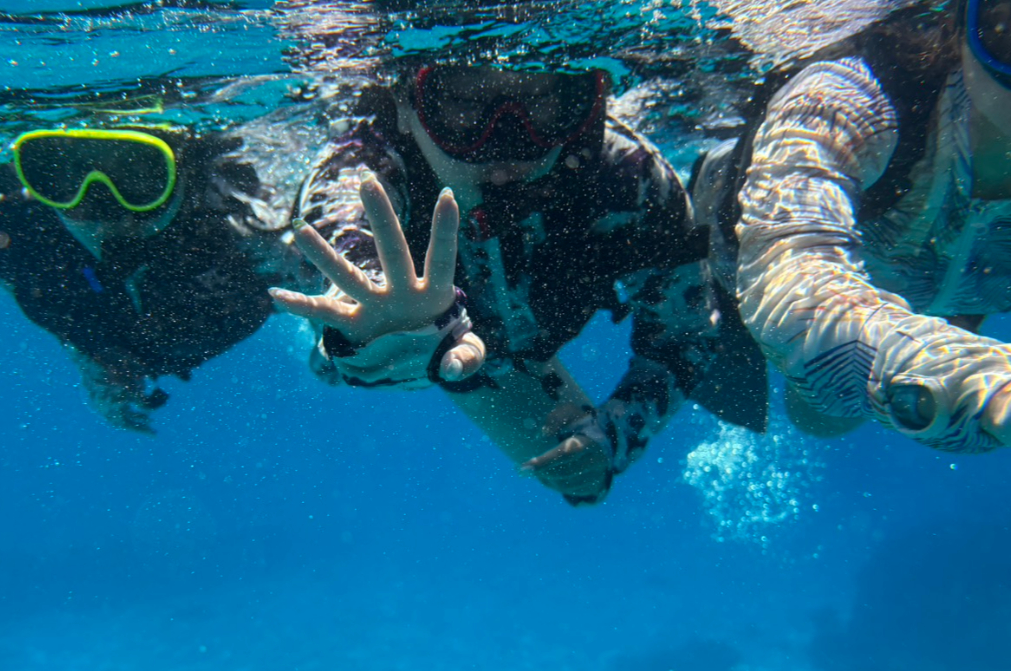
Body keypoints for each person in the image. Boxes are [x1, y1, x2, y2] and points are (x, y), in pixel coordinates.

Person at [268, 64, 768, 505]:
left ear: (583, 108)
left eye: (546, 104)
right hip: (433, 345)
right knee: (341, 358)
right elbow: (345, 235)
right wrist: (371, 322)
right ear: (404, 106)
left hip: (509, 354)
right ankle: (338, 352)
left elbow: (684, 335)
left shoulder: (628, 180)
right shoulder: (362, 170)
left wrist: (613, 434)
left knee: (584, 483)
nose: (506, 146)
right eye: (464, 106)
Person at [693, 0, 1011, 454]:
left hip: (936, 298)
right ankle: (725, 165)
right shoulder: (852, 95)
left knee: (831, 413)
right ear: (965, 7)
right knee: (815, 411)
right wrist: (983, 391)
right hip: (751, 262)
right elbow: (790, 280)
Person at [0, 124, 316, 433]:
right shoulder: (10, 235)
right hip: (130, 340)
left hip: (181, 331)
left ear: (184, 176)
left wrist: (339, 328)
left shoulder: (246, 235)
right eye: (62, 173)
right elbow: (43, 300)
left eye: (137, 174)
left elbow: (318, 274)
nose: (100, 203)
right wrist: (98, 363)